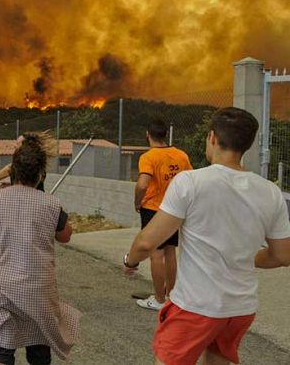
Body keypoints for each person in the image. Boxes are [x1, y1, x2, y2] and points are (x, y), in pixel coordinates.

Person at [124, 107, 290, 365]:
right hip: (240, 309)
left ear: (212, 137)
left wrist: (130, 260)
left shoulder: (190, 182)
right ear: (247, 144)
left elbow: (146, 242)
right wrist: (243, 257)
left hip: (195, 306)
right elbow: (282, 256)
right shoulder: (270, 192)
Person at [0, 134, 79, 365]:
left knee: (1, 343)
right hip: (37, 287)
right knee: (39, 340)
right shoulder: (51, 203)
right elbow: (65, 236)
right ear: (40, 174)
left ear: (13, 170)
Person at [133, 119, 192, 311]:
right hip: (174, 209)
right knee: (170, 251)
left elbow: (142, 184)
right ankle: (170, 296)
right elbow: (190, 179)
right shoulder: (181, 155)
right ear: (166, 134)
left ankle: (159, 299)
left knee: (156, 253)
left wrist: (137, 201)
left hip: (153, 208)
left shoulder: (148, 157)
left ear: (147, 135)